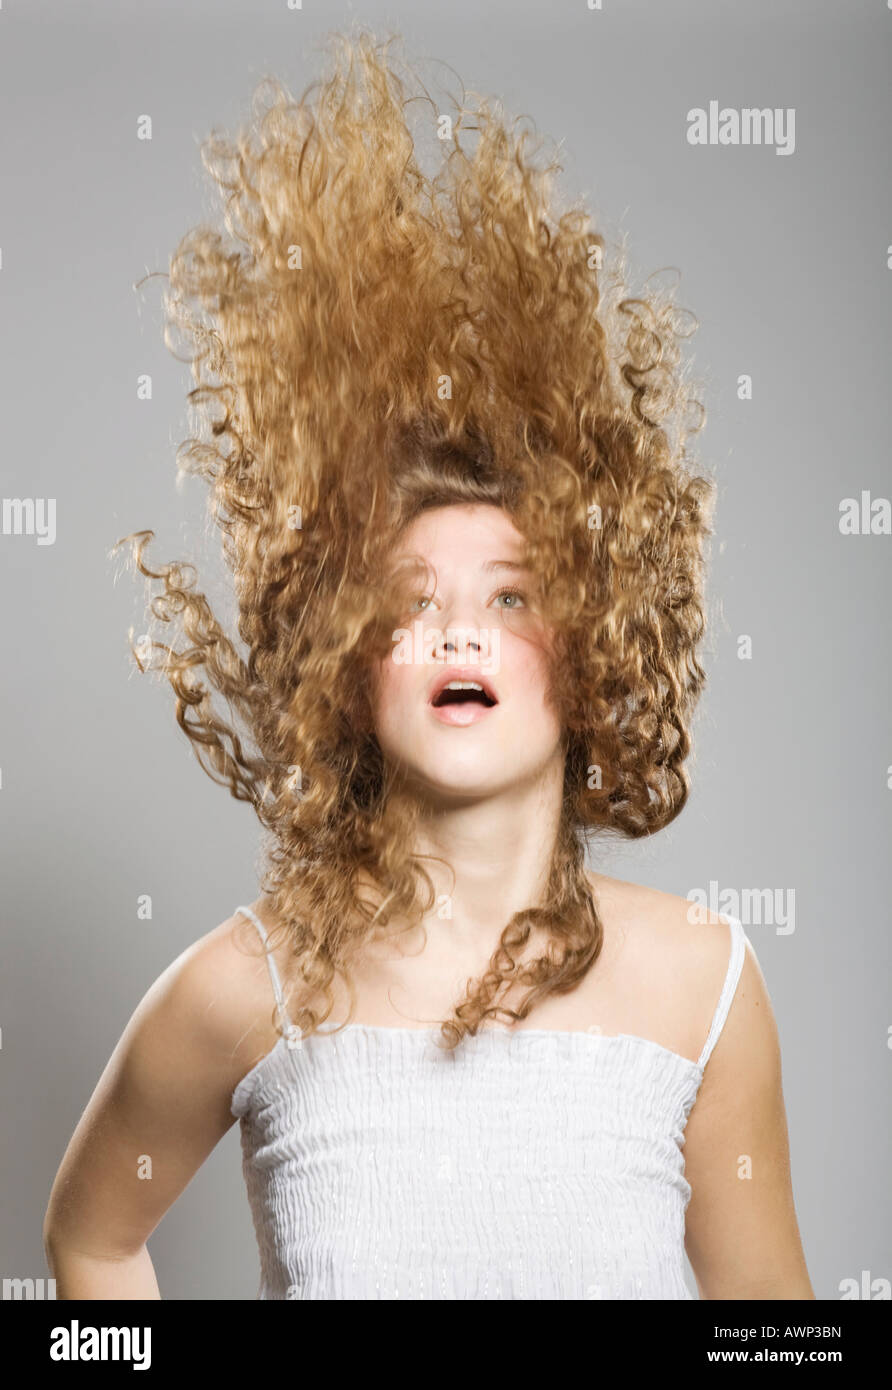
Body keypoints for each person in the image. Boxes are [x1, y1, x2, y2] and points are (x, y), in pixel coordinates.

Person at [43, 29, 813, 1300]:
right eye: (411, 603)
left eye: (511, 597)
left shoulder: (706, 983)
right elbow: (91, 1241)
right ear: (348, 663)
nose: (460, 630)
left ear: (595, 640)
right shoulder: (250, 984)